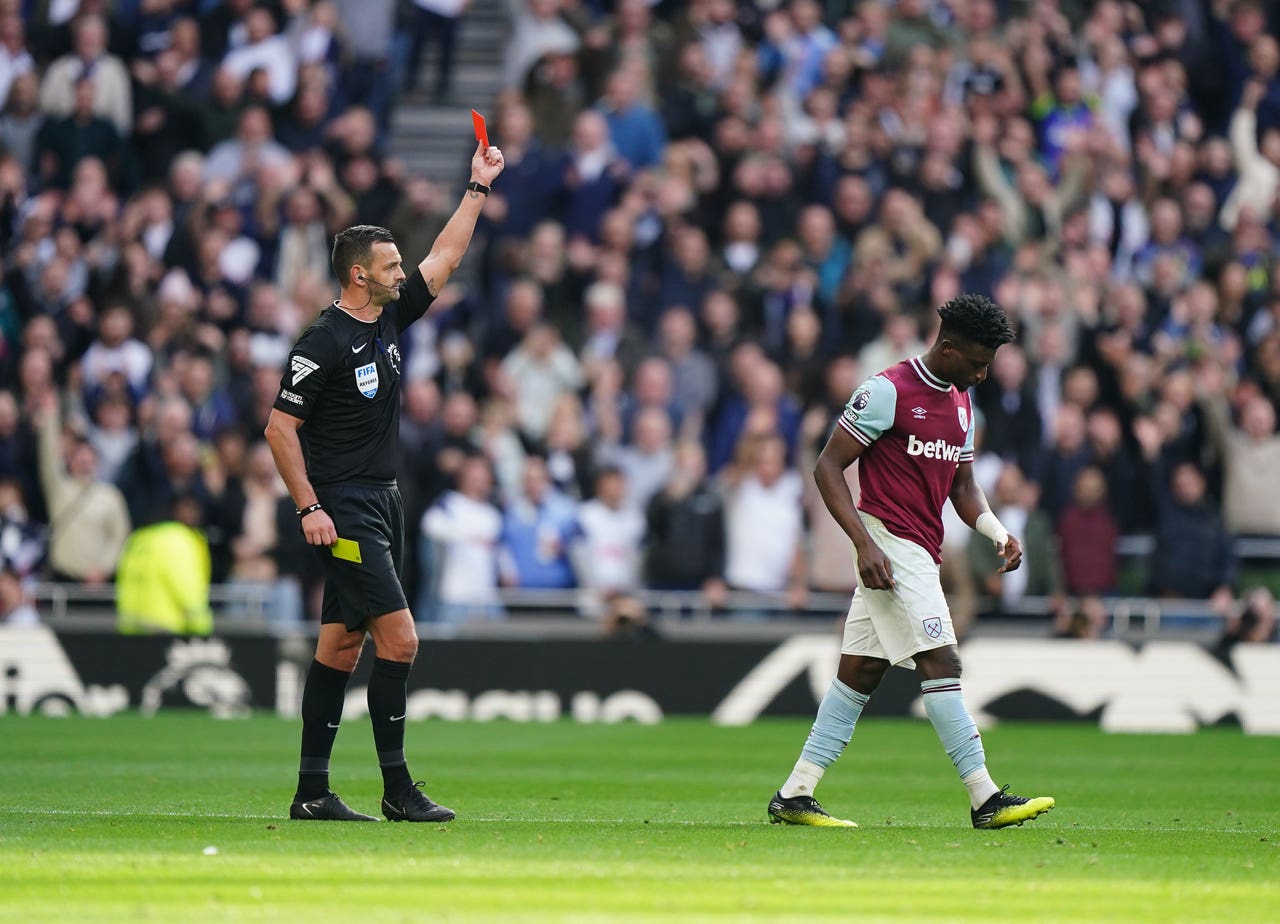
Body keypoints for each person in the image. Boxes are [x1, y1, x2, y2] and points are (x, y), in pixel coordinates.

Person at [264, 140, 505, 823]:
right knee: (401, 641)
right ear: (358, 276)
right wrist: (309, 507)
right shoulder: (322, 341)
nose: (404, 271)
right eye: (391, 265)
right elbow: (279, 429)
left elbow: (446, 257)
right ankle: (399, 790)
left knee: (341, 647)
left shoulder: (390, 317)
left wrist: (477, 189)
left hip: (383, 504)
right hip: (343, 511)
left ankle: (312, 793)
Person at [767, 294, 1055, 830]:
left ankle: (795, 793)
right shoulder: (887, 391)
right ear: (947, 349)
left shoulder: (963, 404)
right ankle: (985, 797)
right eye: (977, 362)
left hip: (922, 546)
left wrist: (996, 531)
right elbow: (827, 468)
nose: (983, 374)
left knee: (860, 672)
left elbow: (963, 487)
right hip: (890, 543)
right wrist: (863, 544)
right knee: (942, 662)